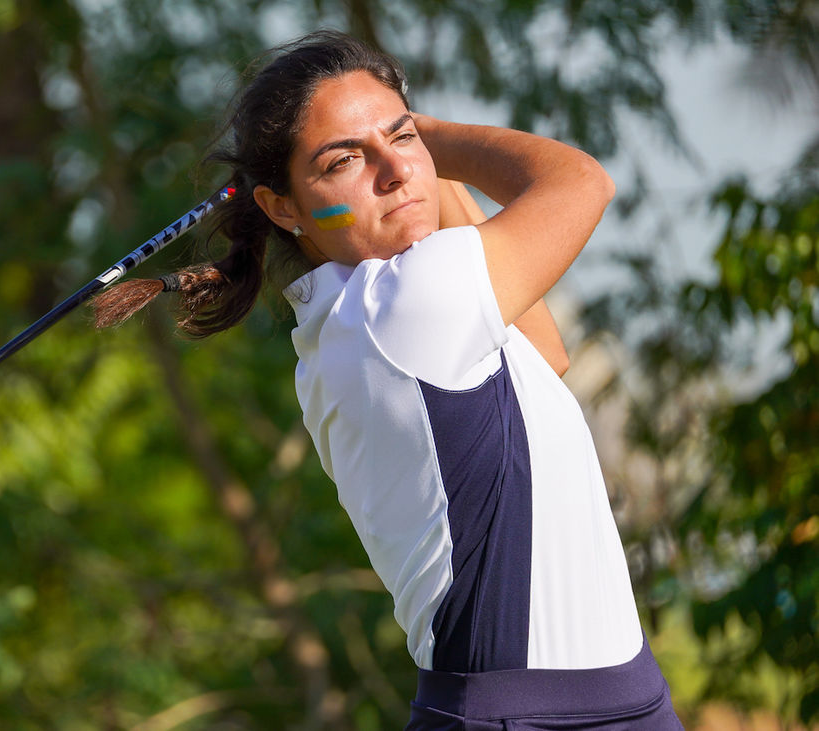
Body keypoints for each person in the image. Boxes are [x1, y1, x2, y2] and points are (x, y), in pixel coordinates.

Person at [92, 30, 683, 729]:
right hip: (525, 718)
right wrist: (427, 135)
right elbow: (584, 181)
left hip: (620, 701)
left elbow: (546, 354)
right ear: (283, 207)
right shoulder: (396, 310)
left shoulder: (365, 314)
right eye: (345, 159)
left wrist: (408, 158)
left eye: (399, 138)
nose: (394, 170)